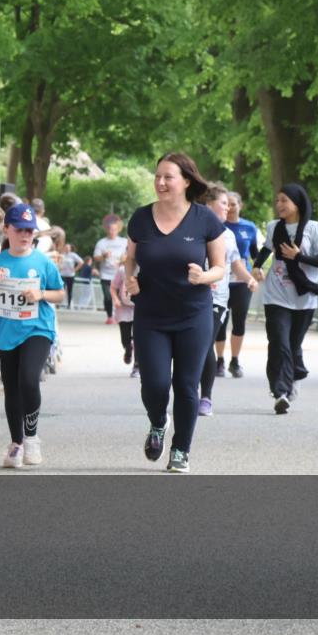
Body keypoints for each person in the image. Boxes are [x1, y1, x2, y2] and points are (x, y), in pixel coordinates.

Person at [124, 152, 225, 473]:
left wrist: (204, 276)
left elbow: (220, 267)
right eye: (157, 176)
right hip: (151, 314)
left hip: (193, 314)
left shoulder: (205, 219)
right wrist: (130, 280)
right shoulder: (140, 218)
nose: (161, 183)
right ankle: (158, 422)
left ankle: (181, 449)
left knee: (185, 384)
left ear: (186, 181)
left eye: (168, 177)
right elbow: (130, 257)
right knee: (154, 384)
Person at [0, 203, 64, 468]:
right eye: (20, 230)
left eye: (29, 231)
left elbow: (60, 293)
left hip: (38, 329)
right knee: (11, 388)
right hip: (6, 332)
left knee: (28, 379)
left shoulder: (43, 262)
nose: (25, 235)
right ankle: (16, 444)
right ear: (7, 230)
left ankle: (32, 438)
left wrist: (41, 295)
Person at [252, 184, 318, 414]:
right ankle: (280, 392)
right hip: (275, 295)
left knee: (294, 345)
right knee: (279, 343)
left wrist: (299, 256)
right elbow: (267, 249)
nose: (279, 205)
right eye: (277, 201)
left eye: (284, 200)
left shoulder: (314, 229)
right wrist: (257, 266)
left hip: (304, 296)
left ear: (297, 203)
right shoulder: (273, 227)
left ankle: (294, 375)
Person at [199, 186, 258, 416]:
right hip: (188, 296)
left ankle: (206, 398)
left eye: (229, 203)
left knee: (205, 343)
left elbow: (235, 265)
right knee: (190, 347)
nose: (228, 208)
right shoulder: (191, 228)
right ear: (209, 204)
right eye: (223, 203)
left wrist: (249, 279)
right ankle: (187, 392)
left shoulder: (228, 235)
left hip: (216, 298)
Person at [217, 191, 260, 378]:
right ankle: (219, 360)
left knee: (239, 320)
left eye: (233, 204)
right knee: (220, 321)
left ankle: (235, 360)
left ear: (240, 206)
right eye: (227, 204)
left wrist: (257, 269)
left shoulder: (249, 227)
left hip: (242, 279)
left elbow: (254, 252)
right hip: (222, 280)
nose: (230, 208)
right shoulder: (218, 226)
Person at [94, 214, 128, 324]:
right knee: (108, 297)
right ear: (107, 230)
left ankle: (119, 316)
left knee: (120, 297)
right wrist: (103, 256)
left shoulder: (123, 241)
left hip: (119, 274)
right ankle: (109, 316)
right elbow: (96, 257)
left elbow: (130, 255)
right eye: (110, 229)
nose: (112, 231)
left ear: (118, 229)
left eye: (114, 229)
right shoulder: (101, 242)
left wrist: (124, 259)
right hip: (105, 274)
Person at [109, 259, 138, 377]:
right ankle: (128, 348)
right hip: (123, 308)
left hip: (140, 308)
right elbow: (113, 288)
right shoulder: (122, 270)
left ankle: (137, 366)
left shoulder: (146, 269)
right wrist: (116, 300)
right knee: (125, 339)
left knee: (140, 338)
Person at [59, 243, 84, 309]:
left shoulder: (73, 255)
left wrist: (75, 269)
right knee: (61, 289)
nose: (67, 248)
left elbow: (81, 262)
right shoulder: (61, 255)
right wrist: (59, 267)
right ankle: (60, 303)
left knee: (70, 290)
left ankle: (69, 304)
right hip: (62, 274)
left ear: (70, 248)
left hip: (70, 275)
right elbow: (57, 262)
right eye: (65, 247)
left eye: (68, 247)